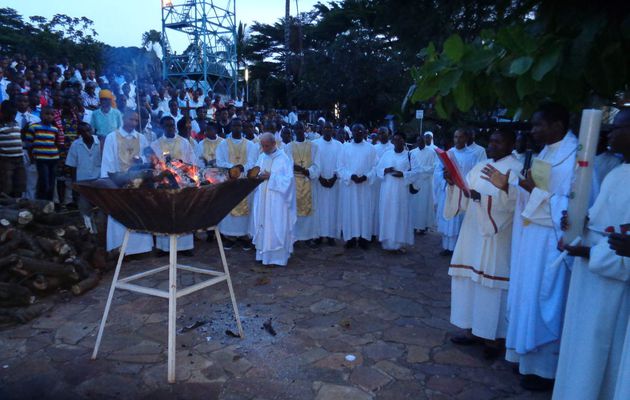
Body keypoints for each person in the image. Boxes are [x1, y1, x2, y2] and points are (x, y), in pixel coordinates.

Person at [481, 102, 577, 391]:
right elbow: (530, 192)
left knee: (545, 298)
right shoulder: (545, 153)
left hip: (550, 242)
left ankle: (545, 369)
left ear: (557, 126)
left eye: (538, 125)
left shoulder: (576, 159)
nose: (533, 131)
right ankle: (525, 358)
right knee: (527, 296)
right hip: (530, 238)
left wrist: (531, 190)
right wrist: (508, 187)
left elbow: (572, 209)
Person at [552, 108, 630, 400]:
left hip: (612, 289)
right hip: (591, 279)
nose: (611, 133)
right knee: (582, 351)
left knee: (602, 357)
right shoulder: (619, 173)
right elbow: (602, 223)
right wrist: (579, 224)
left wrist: (588, 250)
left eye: (620, 128)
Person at [446, 129, 522, 357]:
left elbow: (513, 206)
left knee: (491, 288)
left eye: (498, 141)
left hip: (495, 237)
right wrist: (454, 185)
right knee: (470, 282)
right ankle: (472, 330)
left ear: (510, 143)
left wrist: (484, 199)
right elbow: (466, 194)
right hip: (472, 233)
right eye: (490, 141)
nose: (492, 145)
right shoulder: (480, 167)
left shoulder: (516, 170)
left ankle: (494, 338)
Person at [100, 110, 153, 255]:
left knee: (139, 213)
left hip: (137, 182)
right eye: (131, 120)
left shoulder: (141, 138)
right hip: (119, 182)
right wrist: (109, 182)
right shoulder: (112, 137)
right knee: (120, 213)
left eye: (136, 121)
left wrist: (141, 159)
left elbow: (149, 157)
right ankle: (121, 248)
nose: (134, 123)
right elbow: (108, 161)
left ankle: (142, 248)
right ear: (124, 118)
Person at [151, 116, 196, 256]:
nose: (171, 128)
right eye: (167, 126)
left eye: (172, 125)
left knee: (183, 214)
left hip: (181, 184)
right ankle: (164, 247)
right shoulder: (156, 145)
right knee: (163, 215)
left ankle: (185, 247)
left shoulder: (184, 142)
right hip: (164, 185)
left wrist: (185, 171)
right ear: (162, 127)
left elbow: (192, 162)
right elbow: (153, 165)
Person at [251, 133, 296, 266]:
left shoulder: (283, 159)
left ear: (273, 144)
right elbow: (256, 172)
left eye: (266, 146)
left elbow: (289, 181)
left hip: (277, 201)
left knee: (276, 226)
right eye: (262, 146)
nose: (264, 148)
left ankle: (278, 258)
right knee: (262, 225)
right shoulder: (261, 157)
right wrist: (256, 176)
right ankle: (262, 256)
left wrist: (272, 176)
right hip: (263, 199)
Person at [436, 128, 481, 256]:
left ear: (466, 139)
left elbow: (475, 174)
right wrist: (445, 178)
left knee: (460, 219)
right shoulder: (448, 154)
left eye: (461, 137)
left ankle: (458, 249)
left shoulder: (472, 156)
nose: (457, 140)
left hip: (463, 192)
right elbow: (438, 171)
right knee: (449, 219)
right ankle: (447, 247)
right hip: (450, 190)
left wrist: (465, 184)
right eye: (455, 137)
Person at [215, 118, 258, 249]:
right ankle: (230, 236)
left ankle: (245, 236)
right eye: (234, 125)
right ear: (231, 127)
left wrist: (241, 169)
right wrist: (234, 168)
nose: (237, 128)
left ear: (242, 128)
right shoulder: (223, 144)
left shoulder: (250, 145)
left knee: (247, 209)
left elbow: (253, 162)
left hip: (245, 182)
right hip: (230, 182)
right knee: (229, 208)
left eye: (239, 125)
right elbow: (220, 162)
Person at [375, 132, 419, 252]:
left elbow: (416, 172)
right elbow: (377, 169)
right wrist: (385, 169)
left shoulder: (409, 155)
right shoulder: (387, 154)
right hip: (387, 191)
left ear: (404, 141)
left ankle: (400, 244)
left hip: (401, 192)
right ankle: (387, 243)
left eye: (400, 139)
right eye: (395, 139)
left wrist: (403, 174)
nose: (397, 142)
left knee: (400, 215)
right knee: (388, 214)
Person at [338, 123, 377, 250]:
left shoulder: (371, 149)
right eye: (355, 131)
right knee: (350, 212)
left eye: (360, 130)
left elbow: (375, 167)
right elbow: (340, 167)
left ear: (364, 132)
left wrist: (366, 176)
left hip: (365, 186)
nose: (358, 133)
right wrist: (350, 176)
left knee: (364, 211)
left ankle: (363, 238)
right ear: (352, 133)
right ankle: (350, 238)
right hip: (350, 187)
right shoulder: (345, 148)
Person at [285, 122, 320, 245]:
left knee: (310, 210)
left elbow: (317, 165)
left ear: (304, 129)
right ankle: (295, 237)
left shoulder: (313, 146)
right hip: (294, 182)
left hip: (308, 181)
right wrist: (296, 168)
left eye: (301, 128)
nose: (299, 130)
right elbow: (287, 164)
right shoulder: (288, 146)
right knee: (294, 210)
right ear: (293, 130)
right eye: (296, 128)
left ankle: (309, 237)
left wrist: (306, 171)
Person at [65, 122, 101, 232]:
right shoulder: (76, 144)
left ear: (92, 130)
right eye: (83, 132)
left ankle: (100, 230)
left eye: (88, 130)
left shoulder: (100, 142)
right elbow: (72, 165)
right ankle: (89, 231)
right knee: (85, 208)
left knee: (100, 207)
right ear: (80, 134)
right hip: (83, 181)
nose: (87, 133)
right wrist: (74, 182)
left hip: (98, 180)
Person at [25, 106, 63, 200]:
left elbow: (57, 143)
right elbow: (29, 145)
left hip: (53, 159)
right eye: (47, 114)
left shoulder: (54, 129)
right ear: (41, 115)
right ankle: (41, 203)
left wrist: (58, 156)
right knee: (44, 182)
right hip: (41, 159)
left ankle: (49, 204)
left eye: (51, 114)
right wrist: (31, 158)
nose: (49, 116)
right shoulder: (34, 127)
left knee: (51, 182)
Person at [313, 122, 343, 245]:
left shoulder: (339, 145)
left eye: (330, 128)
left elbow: (341, 164)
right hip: (319, 182)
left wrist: (334, 178)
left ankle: (331, 235)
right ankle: (319, 235)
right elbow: (314, 163)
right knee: (319, 209)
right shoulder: (315, 144)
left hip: (334, 182)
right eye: (325, 128)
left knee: (333, 209)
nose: (327, 130)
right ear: (321, 129)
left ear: (333, 130)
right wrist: (320, 178)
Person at [409, 134, 436, 234]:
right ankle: (414, 225)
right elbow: (410, 167)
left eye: (422, 141)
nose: (420, 143)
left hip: (426, 183)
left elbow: (434, 167)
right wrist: (416, 174)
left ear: (425, 141)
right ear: (416, 142)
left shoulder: (431, 152)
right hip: (415, 182)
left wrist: (421, 171)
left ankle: (424, 226)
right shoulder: (412, 153)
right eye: (418, 141)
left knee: (424, 205)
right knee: (414, 205)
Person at [0, 100, 26, 197]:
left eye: (14, 114)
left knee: (20, 183)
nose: (12, 116)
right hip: (6, 160)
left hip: (19, 158)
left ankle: (17, 205)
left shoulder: (15, 123)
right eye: (9, 114)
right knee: (6, 185)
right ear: (2, 113)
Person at [372, 127, 394, 238]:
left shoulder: (393, 148)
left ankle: (386, 234)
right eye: (379, 133)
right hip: (376, 182)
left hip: (389, 182)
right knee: (375, 208)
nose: (381, 135)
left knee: (387, 208)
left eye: (383, 133)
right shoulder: (374, 148)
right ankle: (374, 232)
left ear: (389, 134)